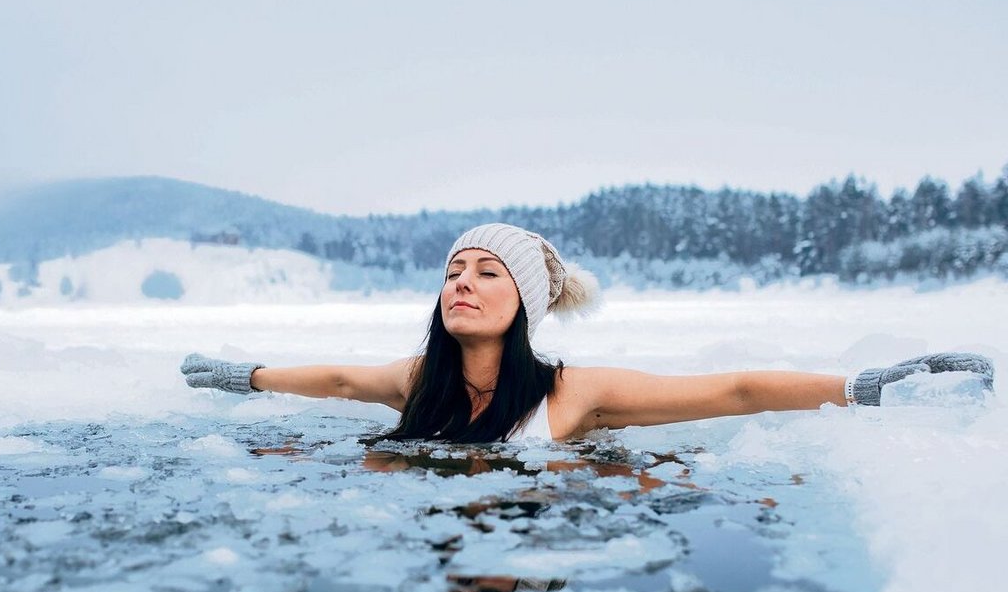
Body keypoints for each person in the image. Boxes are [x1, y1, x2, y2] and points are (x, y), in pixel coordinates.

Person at [181, 223, 995, 443]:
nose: (461, 282)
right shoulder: (416, 379)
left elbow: (732, 391)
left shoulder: (575, 394)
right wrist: (243, 375)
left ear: (526, 304)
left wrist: (861, 387)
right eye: (453, 270)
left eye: (486, 273)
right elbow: (334, 380)